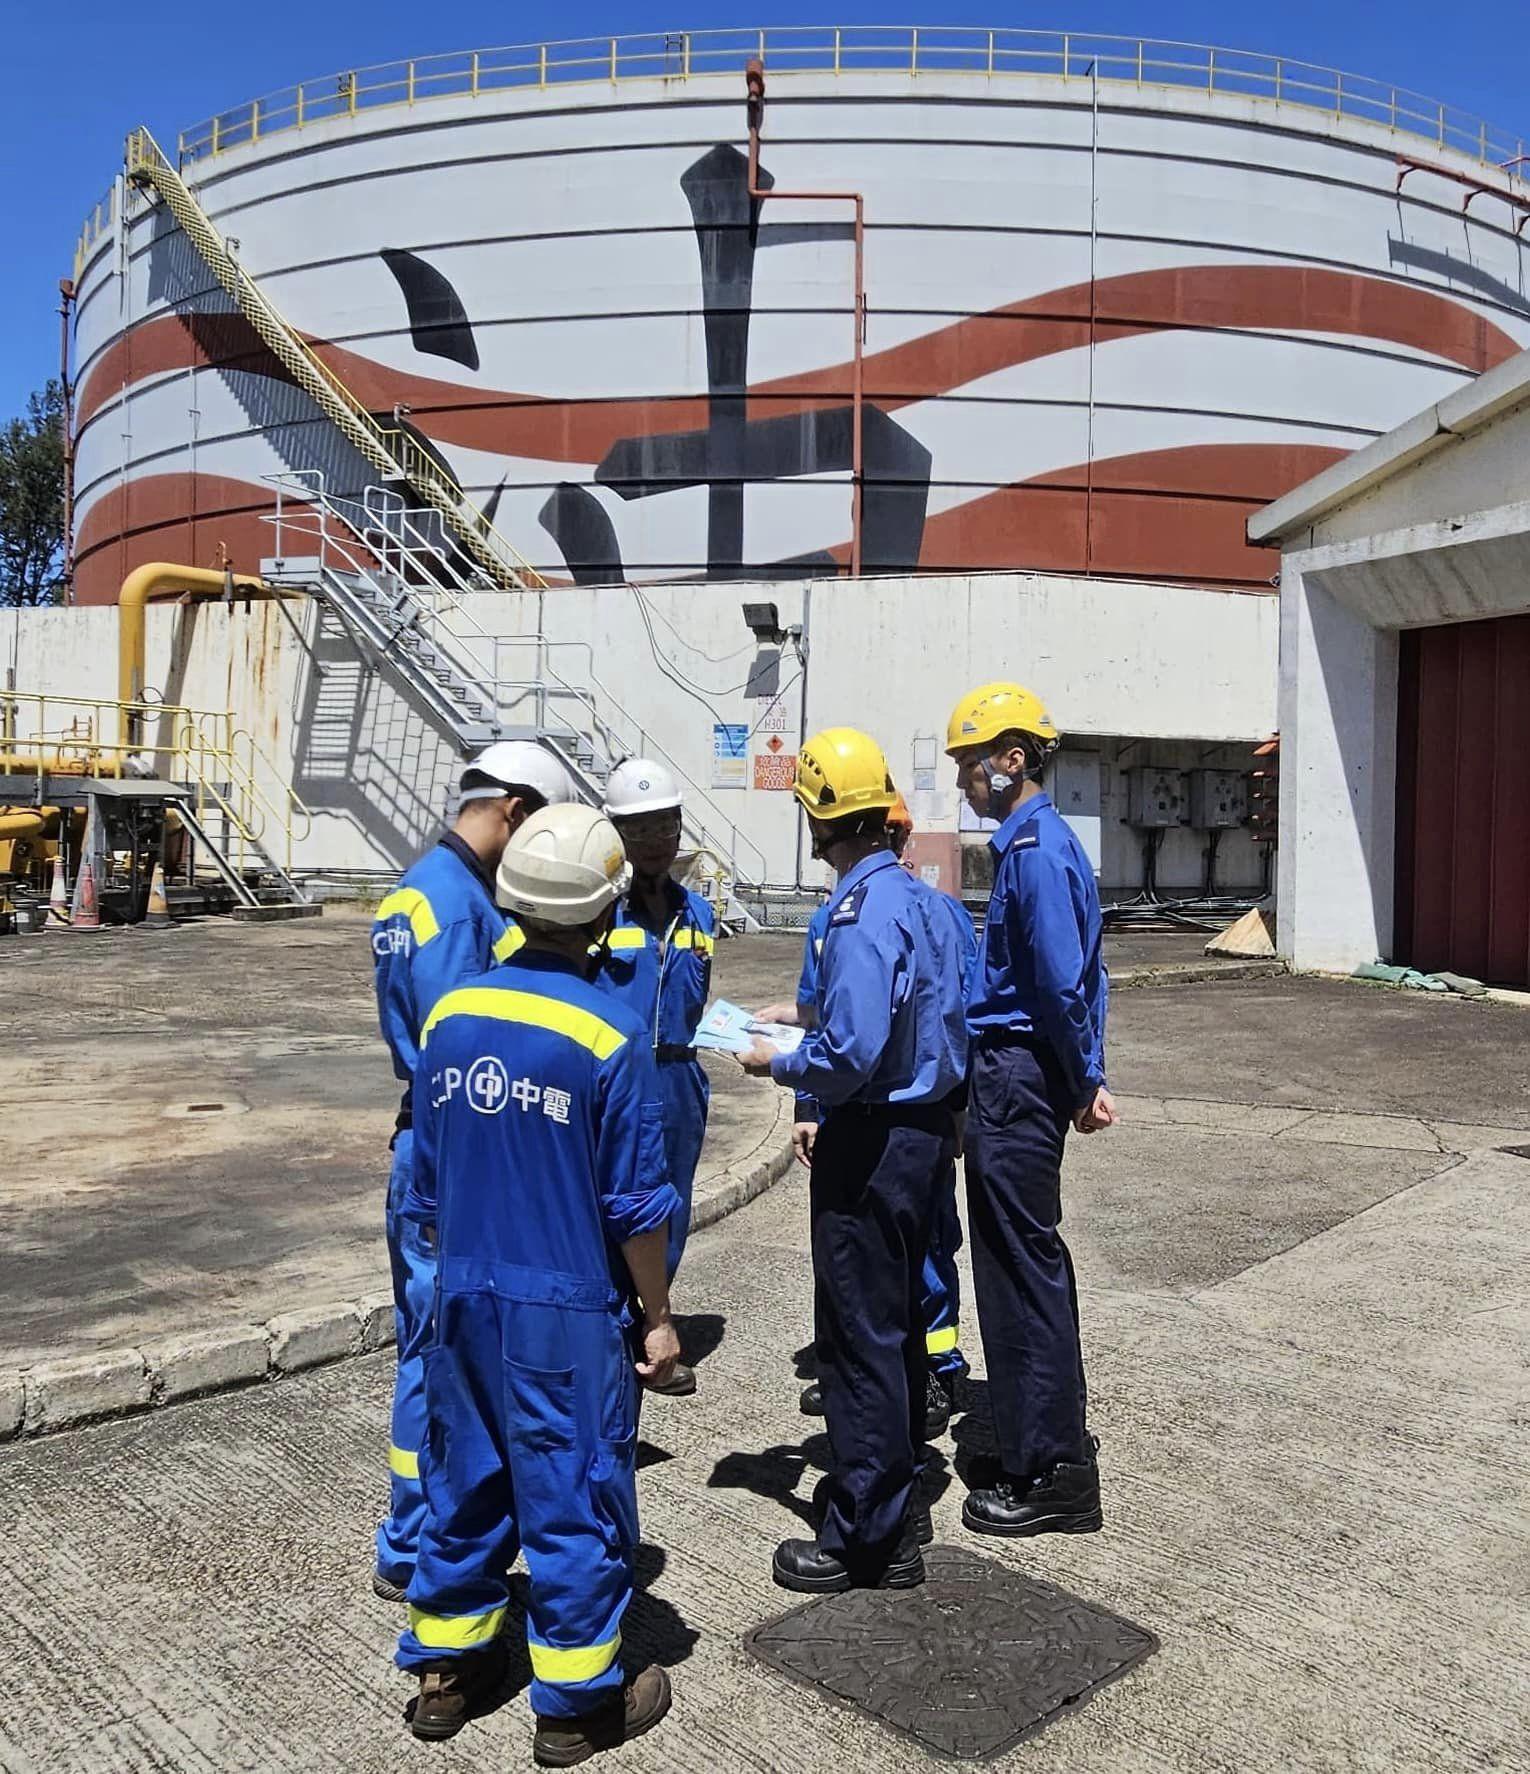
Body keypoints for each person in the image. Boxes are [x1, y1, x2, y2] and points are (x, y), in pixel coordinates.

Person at [396, 803, 680, 1764]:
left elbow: (427, 1181)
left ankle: (447, 1672)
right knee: (573, 1498)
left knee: (462, 1480)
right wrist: (659, 1318)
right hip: (561, 1312)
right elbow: (636, 1209)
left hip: (461, 1295)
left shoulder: (450, 1016)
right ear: (604, 912)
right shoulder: (609, 1035)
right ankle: (577, 1705)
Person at [741, 730, 967, 1594]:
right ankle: (900, 1499)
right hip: (922, 1136)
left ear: (819, 818)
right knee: (898, 1327)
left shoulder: (857, 912)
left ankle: (868, 1538)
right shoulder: (925, 903)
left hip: (870, 1140)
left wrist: (777, 1061)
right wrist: (800, 1011)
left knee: (858, 1336)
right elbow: (923, 1013)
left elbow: (850, 1055)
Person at [370, 742, 574, 1605]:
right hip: (451, 1159)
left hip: (423, 1145)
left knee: (427, 1347)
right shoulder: (459, 911)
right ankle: (417, 1542)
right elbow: (462, 1058)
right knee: (439, 1354)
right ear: (517, 812)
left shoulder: (418, 889)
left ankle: (412, 1536)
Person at [945, 681, 1115, 1539]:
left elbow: (1058, 983)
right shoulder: (1038, 846)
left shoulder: (1037, 854)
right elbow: (1087, 976)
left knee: (1020, 1269)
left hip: (1017, 1074)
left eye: (970, 764)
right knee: (1023, 1261)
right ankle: (1038, 1438)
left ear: (1013, 760)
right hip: (1020, 1071)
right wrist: (1083, 1071)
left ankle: (1054, 1470)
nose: (963, 781)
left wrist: (1083, 1077)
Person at [757, 794, 977, 1437]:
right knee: (864, 1272)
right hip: (880, 1115)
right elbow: (818, 1015)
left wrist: (780, 1069)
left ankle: (931, 1372)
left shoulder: (904, 913)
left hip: (892, 1119)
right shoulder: (837, 917)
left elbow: (951, 1017)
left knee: (918, 1258)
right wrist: (809, 1105)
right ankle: (866, 1385)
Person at [597, 759, 715, 1396]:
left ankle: (652, 1328)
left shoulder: (700, 914)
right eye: (637, 829)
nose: (653, 841)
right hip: (618, 1079)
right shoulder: (598, 914)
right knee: (614, 1203)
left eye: (663, 826)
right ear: (615, 833)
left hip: (679, 1078)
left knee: (670, 1206)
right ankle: (611, 1332)